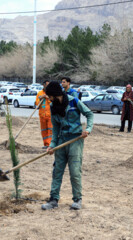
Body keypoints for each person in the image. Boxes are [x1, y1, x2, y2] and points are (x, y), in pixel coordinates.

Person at [41, 81, 93, 211]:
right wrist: (52, 145)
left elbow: (89, 114)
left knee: (75, 171)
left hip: (75, 140)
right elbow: (55, 128)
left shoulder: (74, 102)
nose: (49, 98)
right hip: (61, 141)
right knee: (57, 171)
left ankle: (77, 199)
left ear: (54, 94)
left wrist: (88, 129)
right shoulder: (53, 106)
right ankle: (53, 200)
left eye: (50, 95)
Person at [35, 80, 52, 149]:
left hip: (50, 115)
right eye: (47, 85)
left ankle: (50, 144)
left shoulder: (52, 93)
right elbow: (37, 104)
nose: (48, 86)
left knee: (50, 130)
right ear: (43, 85)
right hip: (42, 115)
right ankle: (46, 144)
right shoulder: (39, 93)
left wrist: (48, 98)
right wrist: (41, 97)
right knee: (44, 130)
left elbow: (53, 102)